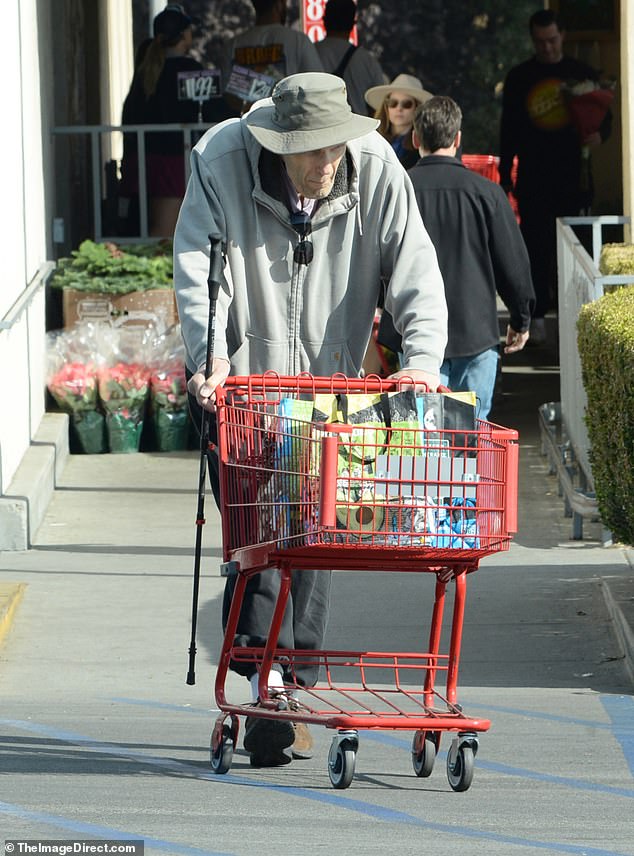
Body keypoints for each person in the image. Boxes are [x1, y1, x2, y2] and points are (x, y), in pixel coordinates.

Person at [173, 72, 448, 767]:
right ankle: (270, 684)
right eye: (308, 152)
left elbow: (415, 269)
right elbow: (203, 271)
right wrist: (212, 360)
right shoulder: (222, 159)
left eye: (333, 149)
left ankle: (287, 682)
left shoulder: (377, 166)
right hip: (243, 384)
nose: (324, 163)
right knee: (259, 535)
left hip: (331, 388)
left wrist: (420, 362)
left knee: (315, 534)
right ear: (276, 142)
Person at [379, 96, 535, 420]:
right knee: (473, 444)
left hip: (411, 338)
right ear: (458, 139)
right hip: (475, 333)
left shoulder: (397, 190)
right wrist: (520, 319)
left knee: (419, 446)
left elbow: (374, 260)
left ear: (415, 139)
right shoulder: (487, 193)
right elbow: (513, 264)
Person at [499, 9, 612, 345]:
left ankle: (573, 316)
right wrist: (506, 175)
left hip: (572, 177)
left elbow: (606, 116)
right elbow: (509, 131)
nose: (546, 48)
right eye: (539, 42)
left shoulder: (581, 74)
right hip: (533, 176)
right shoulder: (520, 77)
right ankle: (537, 318)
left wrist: (599, 136)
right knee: (534, 247)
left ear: (562, 36)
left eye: (551, 40)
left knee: (574, 250)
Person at [121, 4, 232, 237]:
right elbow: (217, 113)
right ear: (184, 36)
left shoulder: (145, 70)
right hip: (171, 163)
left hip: (140, 162)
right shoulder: (190, 69)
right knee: (163, 236)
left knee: (147, 231)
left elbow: (129, 114)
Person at [223, 0, 323, 112]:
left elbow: (226, 94)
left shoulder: (233, 45)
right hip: (285, 123)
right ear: (279, 5)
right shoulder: (298, 40)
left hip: (245, 122)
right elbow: (318, 87)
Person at [315, 0, 386, 116]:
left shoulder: (309, 52)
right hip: (359, 131)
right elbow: (377, 108)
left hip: (318, 131)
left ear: (324, 20)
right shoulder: (368, 61)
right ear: (353, 23)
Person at [365, 73, 433, 168]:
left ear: (417, 109)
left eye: (407, 104)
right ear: (386, 108)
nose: (399, 108)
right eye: (393, 103)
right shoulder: (371, 139)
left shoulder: (424, 147)